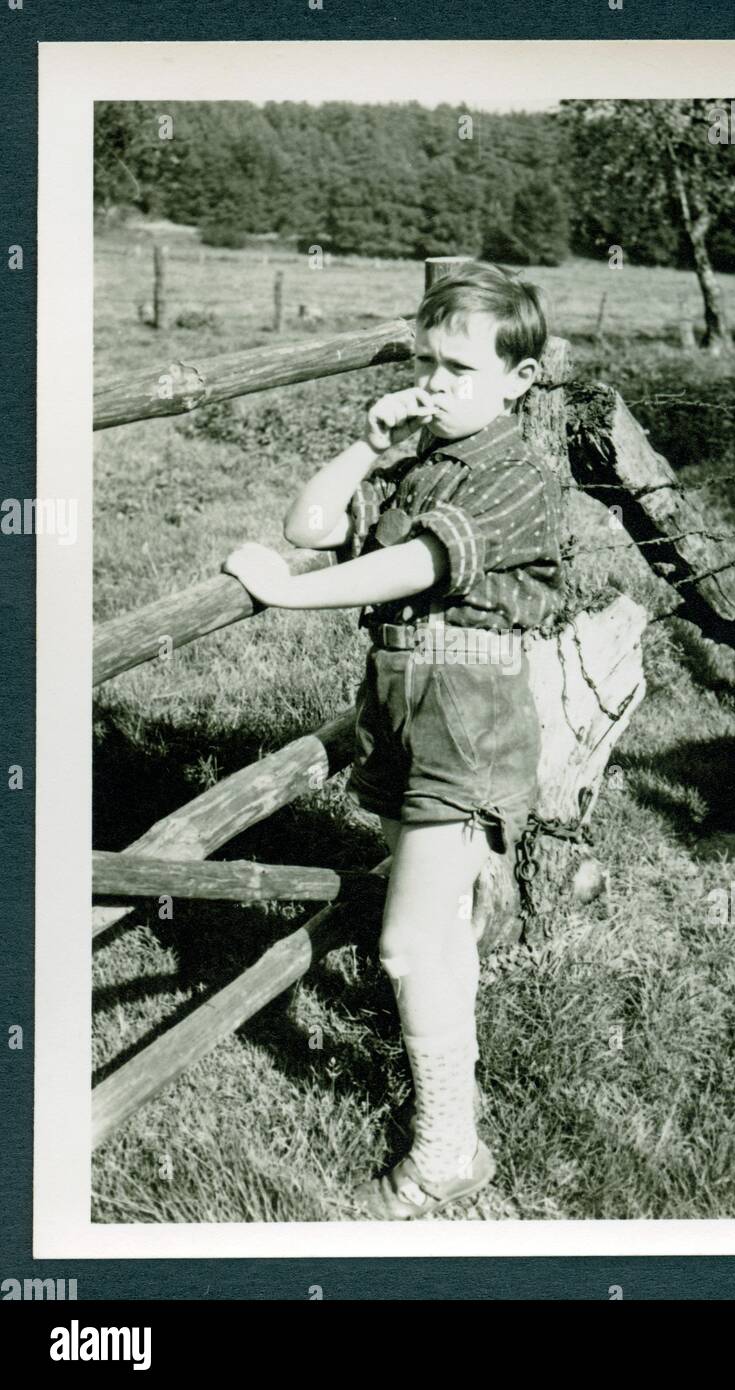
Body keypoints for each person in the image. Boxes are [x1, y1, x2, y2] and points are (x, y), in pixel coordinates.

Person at [222, 262, 564, 1218]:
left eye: (458, 366)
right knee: (437, 938)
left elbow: (414, 565)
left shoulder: (517, 475)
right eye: (426, 360)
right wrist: (367, 448)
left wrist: (284, 590)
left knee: (410, 948)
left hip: (467, 718)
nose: (433, 381)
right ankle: (459, 1121)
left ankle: (446, 1154)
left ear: (520, 380)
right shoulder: (420, 460)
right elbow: (312, 521)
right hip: (409, 714)